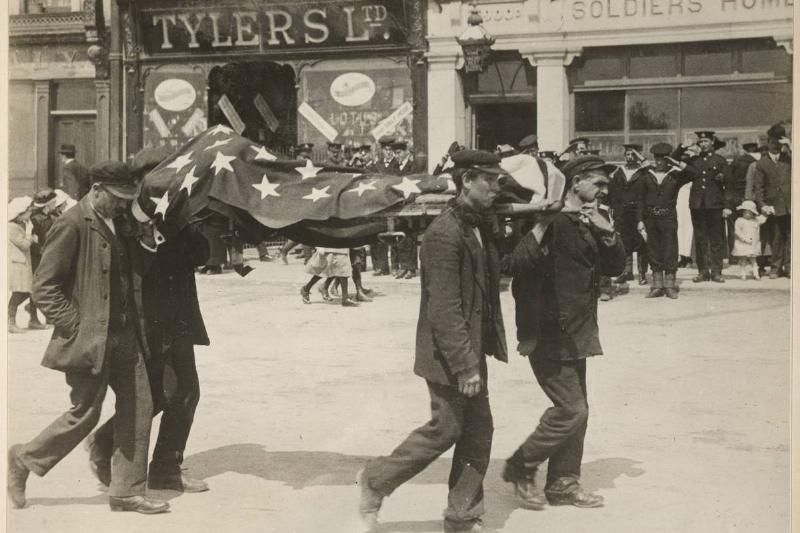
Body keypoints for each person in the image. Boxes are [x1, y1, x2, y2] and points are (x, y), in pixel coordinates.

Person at [358, 150, 508, 533]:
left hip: (469, 348)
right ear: (467, 180)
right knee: (447, 428)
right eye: (489, 180)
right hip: (450, 354)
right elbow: (444, 309)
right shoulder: (445, 233)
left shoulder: (475, 222)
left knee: (478, 429)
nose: (497, 186)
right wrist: (466, 366)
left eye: (497, 179)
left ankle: (462, 515)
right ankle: (376, 479)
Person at [7, 161, 169, 514]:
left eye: (128, 198)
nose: (124, 205)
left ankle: (126, 491)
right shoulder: (71, 223)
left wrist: (146, 243)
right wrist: (77, 326)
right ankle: (23, 459)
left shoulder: (122, 221)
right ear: (96, 190)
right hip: (90, 340)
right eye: (118, 198)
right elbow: (44, 288)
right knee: (84, 414)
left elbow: (134, 274)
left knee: (140, 406)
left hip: (126, 335)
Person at [503, 155, 624, 511]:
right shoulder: (547, 218)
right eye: (599, 184)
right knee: (573, 410)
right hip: (548, 329)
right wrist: (543, 224)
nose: (604, 190)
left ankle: (563, 483)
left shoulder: (591, 218)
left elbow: (616, 268)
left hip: (579, 330)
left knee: (578, 408)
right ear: (576, 183)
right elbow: (515, 265)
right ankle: (520, 467)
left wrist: (607, 232)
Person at [637, 143, 696, 299]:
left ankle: (670, 285)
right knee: (653, 249)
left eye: (663, 159)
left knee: (670, 249)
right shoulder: (646, 175)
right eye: (657, 159)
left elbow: (694, 174)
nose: (659, 162)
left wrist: (677, 162)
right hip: (650, 218)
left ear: (668, 160)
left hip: (668, 217)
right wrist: (640, 220)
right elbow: (640, 199)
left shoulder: (675, 175)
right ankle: (657, 285)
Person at [676, 131, 729, 283]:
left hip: (715, 206)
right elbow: (672, 160)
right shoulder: (694, 161)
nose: (703, 144)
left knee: (716, 239)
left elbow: (729, 185)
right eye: (701, 142)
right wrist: (682, 147)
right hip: (697, 206)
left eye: (706, 141)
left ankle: (717, 271)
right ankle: (703, 271)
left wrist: (727, 206)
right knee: (700, 239)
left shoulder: (720, 161)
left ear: (712, 143)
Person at [753, 124, 792, 279]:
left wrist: (790, 146)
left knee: (791, 236)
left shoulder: (789, 159)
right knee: (776, 237)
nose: (776, 146)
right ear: (768, 143)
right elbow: (758, 187)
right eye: (773, 142)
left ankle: (789, 267)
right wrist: (762, 205)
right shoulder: (761, 163)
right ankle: (776, 268)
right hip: (774, 206)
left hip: (790, 205)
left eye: (779, 143)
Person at [609, 144, 648, 285]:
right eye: (627, 155)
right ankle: (627, 272)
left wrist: (642, 159)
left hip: (639, 212)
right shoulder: (619, 172)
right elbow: (612, 191)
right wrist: (614, 210)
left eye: (633, 155)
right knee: (624, 242)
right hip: (622, 212)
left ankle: (642, 273)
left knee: (641, 243)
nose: (630, 158)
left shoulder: (644, 172)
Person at [7, 196, 41, 333]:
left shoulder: (18, 225)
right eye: (27, 213)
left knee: (27, 291)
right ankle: (10, 321)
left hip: (22, 264)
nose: (29, 216)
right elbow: (25, 245)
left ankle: (10, 318)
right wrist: (29, 234)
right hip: (17, 265)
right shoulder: (11, 227)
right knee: (19, 293)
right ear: (20, 213)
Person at [725, 143, 761, 255]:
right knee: (753, 226)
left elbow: (729, 179)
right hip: (751, 197)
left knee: (735, 226)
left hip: (735, 195)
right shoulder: (759, 162)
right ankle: (753, 253)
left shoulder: (737, 161)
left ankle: (735, 255)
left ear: (745, 150)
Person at [731, 200, 767, 280]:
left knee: (753, 260)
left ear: (752, 213)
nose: (747, 214)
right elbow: (737, 231)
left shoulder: (755, 221)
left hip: (752, 244)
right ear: (742, 212)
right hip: (743, 243)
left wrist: (766, 213)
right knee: (743, 259)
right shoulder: (739, 221)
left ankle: (756, 274)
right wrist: (744, 239)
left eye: (750, 213)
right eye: (745, 212)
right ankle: (743, 274)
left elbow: (763, 219)